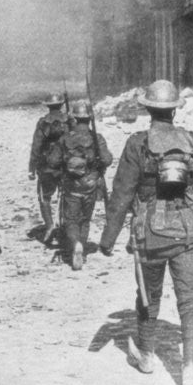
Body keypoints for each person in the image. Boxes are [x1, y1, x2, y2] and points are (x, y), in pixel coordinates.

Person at [99, 80, 193, 385]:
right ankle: (190, 368)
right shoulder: (192, 140)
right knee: (189, 301)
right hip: (189, 232)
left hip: (151, 233)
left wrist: (108, 238)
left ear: (147, 109)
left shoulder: (137, 144)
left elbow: (122, 194)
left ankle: (146, 356)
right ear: (174, 110)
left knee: (148, 297)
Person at [58, 99, 112, 270]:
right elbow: (107, 159)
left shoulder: (65, 138)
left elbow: (52, 160)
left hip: (71, 185)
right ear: (89, 118)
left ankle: (75, 244)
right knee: (85, 219)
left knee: (71, 219)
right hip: (90, 184)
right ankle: (82, 246)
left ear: (74, 118)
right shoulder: (97, 138)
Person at [27, 94, 71, 245]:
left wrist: (31, 168)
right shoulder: (69, 120)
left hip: (46, 166)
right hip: (65, 165)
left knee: (45, 197)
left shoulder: (43, 122)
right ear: (61, 105)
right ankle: (65, 227)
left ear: (48, 106)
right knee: (65, 195)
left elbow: (36, 147)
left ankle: (50, 225)